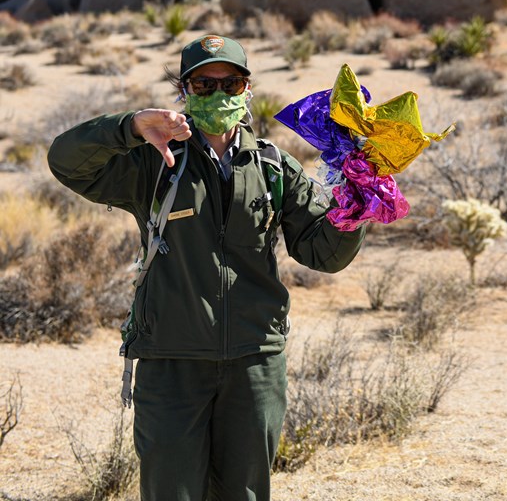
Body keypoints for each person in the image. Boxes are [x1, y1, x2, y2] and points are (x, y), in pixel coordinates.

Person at [47, 34, 366, 501]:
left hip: (255, 362)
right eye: (203, 85)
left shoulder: (274, 167)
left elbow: (324, 255)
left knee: (245, 493)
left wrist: (355, 203)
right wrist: (132, 127)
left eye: (231, 83)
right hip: (172, 361)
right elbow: (66, 161)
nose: (218, 95)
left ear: (247, 88)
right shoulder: (152, 163)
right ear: (184, 90)